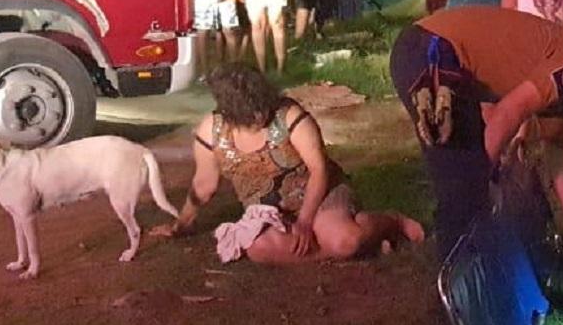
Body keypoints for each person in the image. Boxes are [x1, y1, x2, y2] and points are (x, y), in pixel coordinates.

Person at [389, 6, 563, 260]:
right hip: (432, 52)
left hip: (450, 66)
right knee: (462, 184)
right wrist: (481, 179)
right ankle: (455, 286)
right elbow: (508, 112)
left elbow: (562, 171)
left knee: (468, 177)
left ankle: (475, 263)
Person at [151, 64, 424, 263]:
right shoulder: (211, 131)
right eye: (251, 112)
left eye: (262, 106)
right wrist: (180, 225)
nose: (260, 114)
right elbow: (204, 185)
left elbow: (319, 169)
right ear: (230, 111)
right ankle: (356, 246)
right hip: (267, 210)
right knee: (258, 249)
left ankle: (390, 222)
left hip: (319, 195)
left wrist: (305, 222)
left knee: (344, 240)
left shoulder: (290, 115)